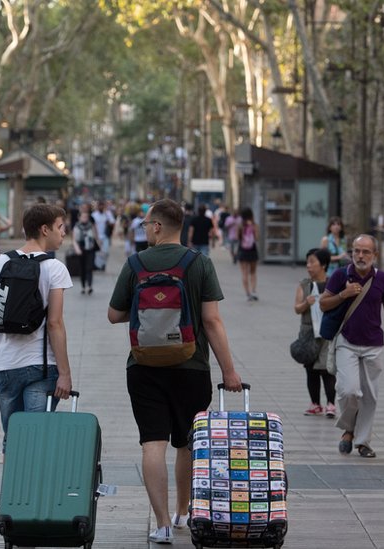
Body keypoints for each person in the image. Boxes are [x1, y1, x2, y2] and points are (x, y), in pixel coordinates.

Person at [108, 199, 243, 545]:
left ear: (157, 226)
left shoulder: (135, 263)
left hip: (143, 366)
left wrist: (146, 307)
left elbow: (113, 314)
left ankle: (163, 523)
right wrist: (229, 371)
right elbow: (211, 321)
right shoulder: (199, 263)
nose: (145, 231)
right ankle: (184, 512)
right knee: (186, 443)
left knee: (153, 443)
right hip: (191, 366)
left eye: (146, 225)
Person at [0, 204, 74, 450]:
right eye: (60, 227)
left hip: (6, 366)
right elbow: (55, 323)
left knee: (14, 439)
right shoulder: (54, 268)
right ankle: (36, 488)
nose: (64, 233)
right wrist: (65, 373)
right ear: (45, 229)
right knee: (37, 439)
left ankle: (13, 488)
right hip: (42, 368)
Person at [319, 234, 384, 459]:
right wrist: (343, 294)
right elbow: (323, 303)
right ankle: (348, 428)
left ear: (375, 255)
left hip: (373, 344)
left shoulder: (383, 279)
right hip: (346, 342)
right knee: (348, 390)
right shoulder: (340, 275)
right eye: (356, 251)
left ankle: (362, 441)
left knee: (369, 396)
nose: (360, 255)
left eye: (366, 252)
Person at [294, 248, 336, 418]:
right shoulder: (304, 285)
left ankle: (331, 404)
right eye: (307, 262)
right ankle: (315, 404)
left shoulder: (333, 284)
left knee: (326, 368)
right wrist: (306, 303)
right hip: (308, 333)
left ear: (324, 264)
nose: (308, 266)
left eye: (312, 262)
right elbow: (297, 308)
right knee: (310, 368)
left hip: (327, 332)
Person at [72, 209, 99, 294]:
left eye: (86, 217)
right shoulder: (76, 226)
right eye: (83, 216)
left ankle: (89, 286)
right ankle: (83, 286)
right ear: (79, 217)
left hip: (90, 248)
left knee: (89, 268)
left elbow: (96, 237)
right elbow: (74, 240)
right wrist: (77, 249)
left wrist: (99, 246)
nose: (85, 218)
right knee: (82, 269)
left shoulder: (91, 226)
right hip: (81, 249)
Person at [237, 207, 259, 301]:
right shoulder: (255, 225)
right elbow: (257, 238)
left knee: (244, 273)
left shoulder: (240, 226)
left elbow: (238, 238)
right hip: (252, 250)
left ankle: (247, 294)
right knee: (253, 272)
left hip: (243, 250)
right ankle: (254, 291)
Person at [91, 201, 115, 271]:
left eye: (102, 206)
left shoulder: (107, 214)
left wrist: (108, 221)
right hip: (96, 237)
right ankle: (97, 265)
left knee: (106, 252)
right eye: (99, 206)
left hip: (105, 236)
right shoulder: (94, 215)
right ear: (97, 206)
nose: (101, 207)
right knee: (97, 252)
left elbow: (113, 223)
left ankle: (103, 264)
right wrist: (96, 237)